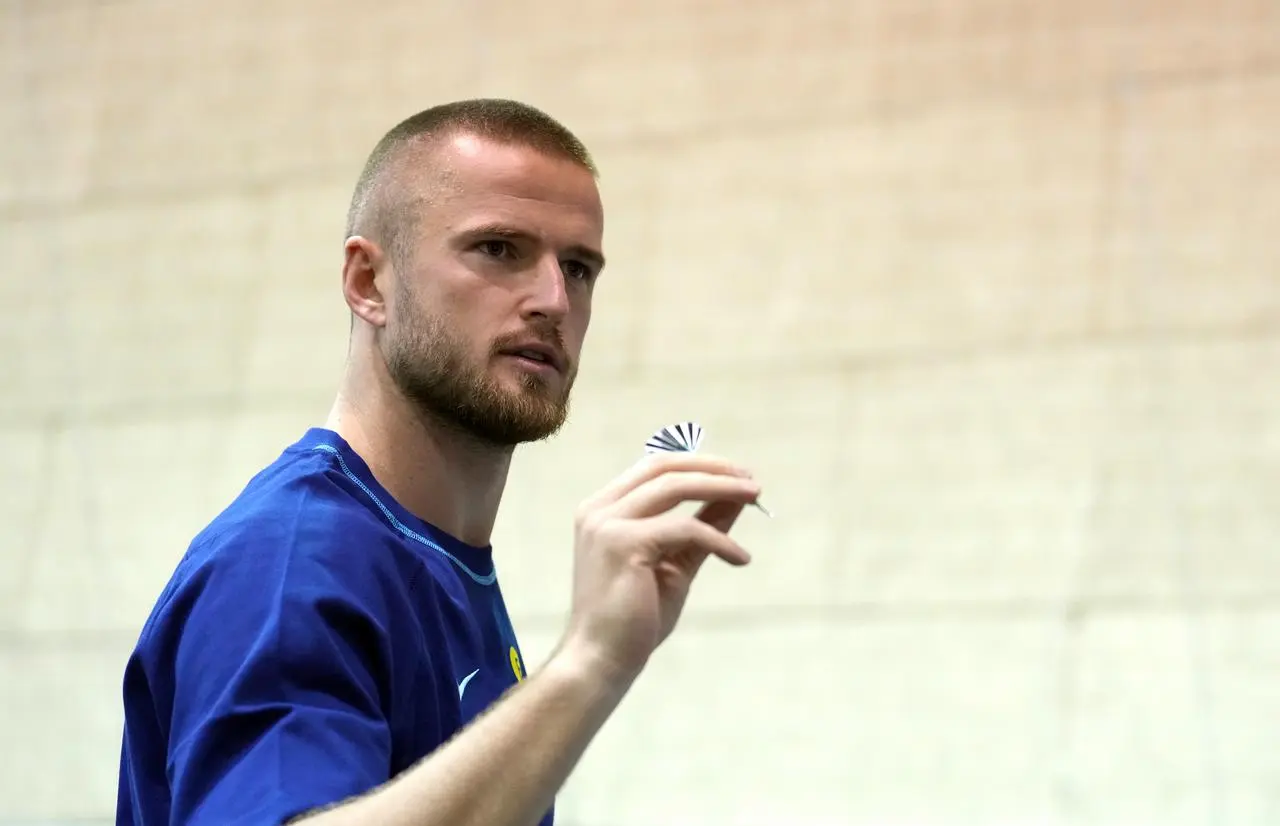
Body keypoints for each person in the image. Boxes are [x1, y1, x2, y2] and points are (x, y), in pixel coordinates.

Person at [115, 98, 764, 826]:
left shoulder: (440, 561)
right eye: (498, 249)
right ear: (368, 284)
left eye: (579, 268)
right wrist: (589, 662)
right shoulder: (292, 562)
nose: (553, 299)